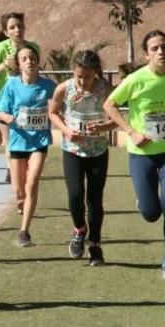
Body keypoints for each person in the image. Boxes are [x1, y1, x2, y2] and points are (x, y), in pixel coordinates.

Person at [103, 30, 165, 281]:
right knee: (151, 213)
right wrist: (131, 131)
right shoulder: (136, 80)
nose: (161, 52)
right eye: (155, 48)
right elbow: (109, 105)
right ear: (146, 54)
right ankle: (144, 203)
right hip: (141, 153)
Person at [48, 50, 115, 266]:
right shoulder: (64, 89)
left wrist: (106, 125)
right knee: (75, 195)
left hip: (98, 151)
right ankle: (79, 229)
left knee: (94, 199)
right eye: (79, 76)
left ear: (96, 72)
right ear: (73, 72)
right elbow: (53, 113)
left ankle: (95, 245)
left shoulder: (105, 89)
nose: (83, 81)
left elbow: (123, 115)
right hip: (72, 150)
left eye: (87, 76)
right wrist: (66, 131)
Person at [0, 45, 57, 247]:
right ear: (19, 64)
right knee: (19, 192)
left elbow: (61, 106)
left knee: (32, 182)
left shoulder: (48, 86)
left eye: (32, 58)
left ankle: (24, 232)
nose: (29, 61)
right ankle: (22, 204)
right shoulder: (11, 85)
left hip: (39, 141)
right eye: (25, 59)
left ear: (37, 61)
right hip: (18, 141)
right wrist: (9, 117)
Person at [0, 13, 40, 180]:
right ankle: (11, 171)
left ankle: (22, 168)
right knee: (8, 139)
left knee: (26, 138)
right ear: (6, 32)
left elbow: (36, 73)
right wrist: (3, 66)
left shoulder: (33, 48)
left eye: (20, 26)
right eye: (12, 27)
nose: (17, 30)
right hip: (2, 102)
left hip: (27, 103)